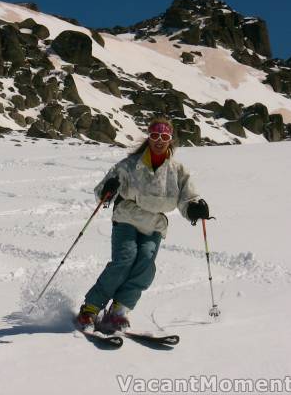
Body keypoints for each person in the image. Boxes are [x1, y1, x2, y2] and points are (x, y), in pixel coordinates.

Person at [76, 117, 210, 331]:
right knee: (125, 259)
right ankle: (90, 308)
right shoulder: (130, 165)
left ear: (170, 140)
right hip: (127, 217)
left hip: (155, 223)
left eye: (164, 136)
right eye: (155, 135)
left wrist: (194, 207)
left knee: (146, 262)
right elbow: (103, 190)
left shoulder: (177, 170)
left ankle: (119, 310)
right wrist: (108, 190)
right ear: (149, 136)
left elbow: (187, 196)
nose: (159, 140)